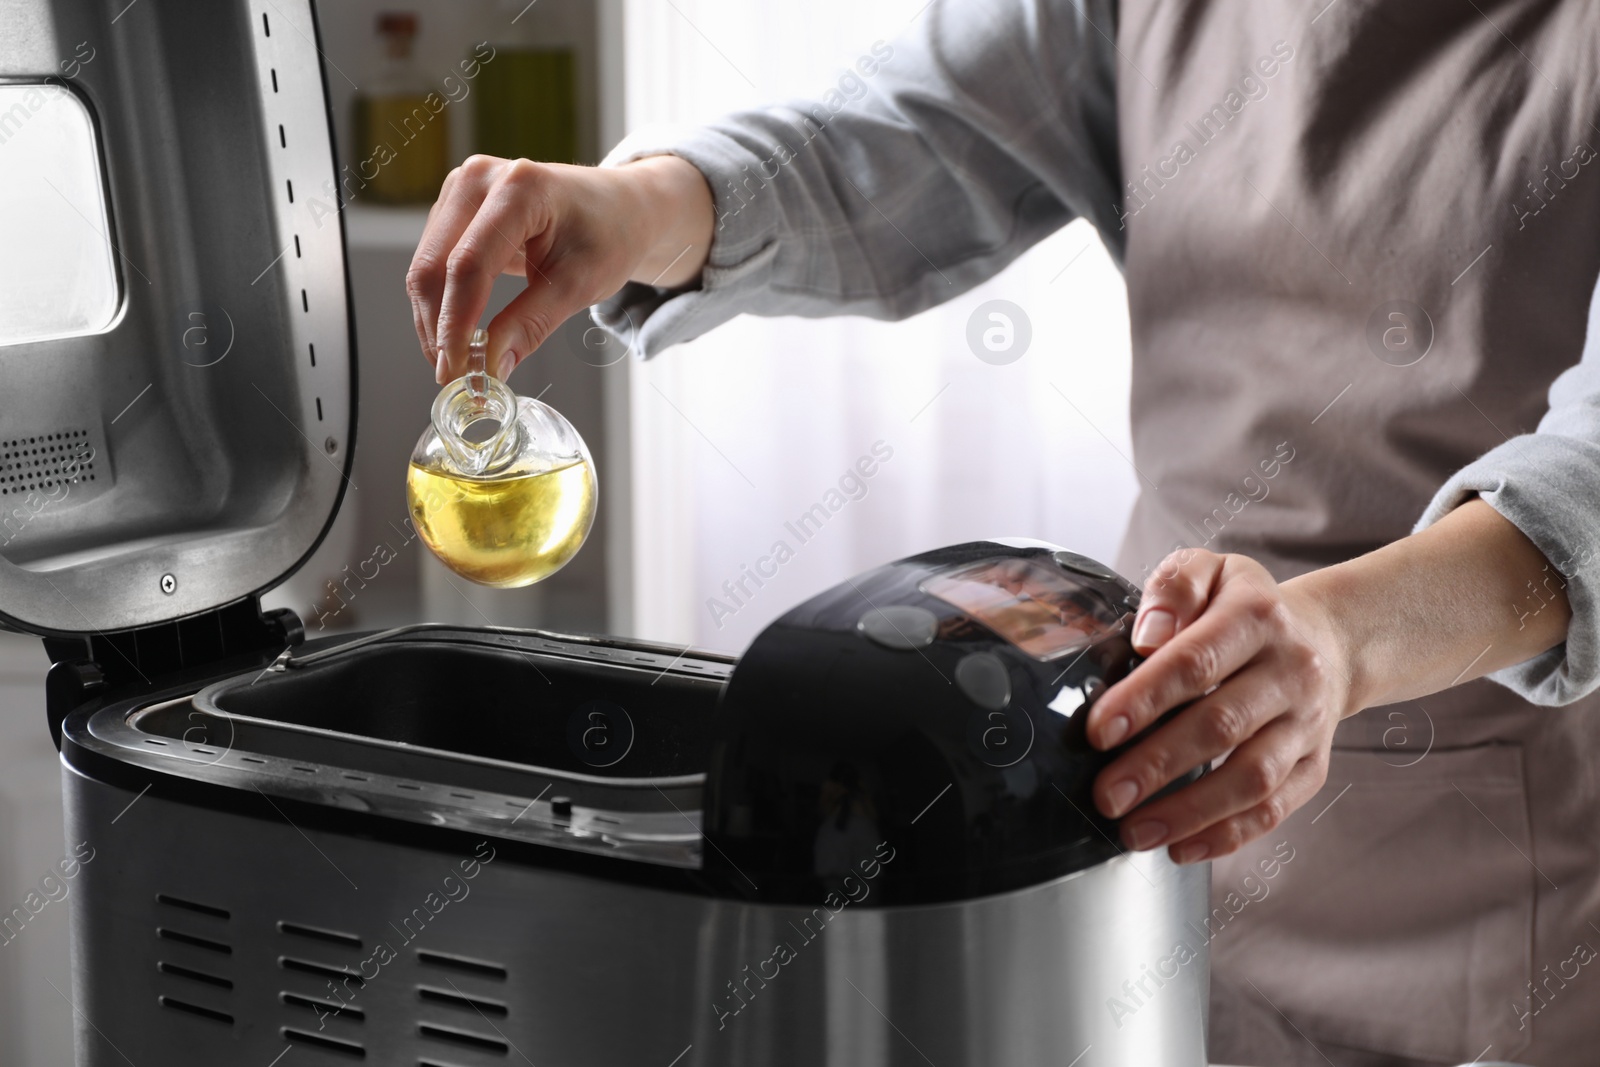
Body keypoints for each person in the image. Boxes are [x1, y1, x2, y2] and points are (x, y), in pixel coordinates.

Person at [405, 2, 1600, 1063]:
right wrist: (638, 205)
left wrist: (1333, 639)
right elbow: (906, 136)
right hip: (1158, 796)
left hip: (1495, 876)